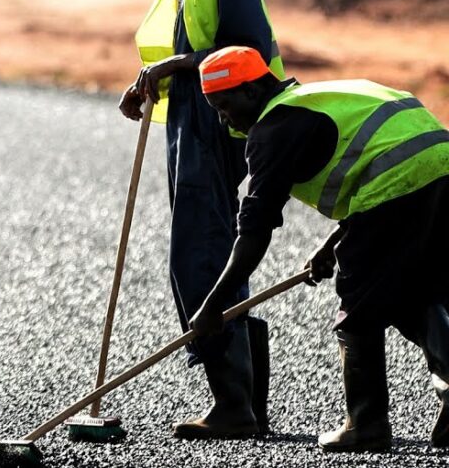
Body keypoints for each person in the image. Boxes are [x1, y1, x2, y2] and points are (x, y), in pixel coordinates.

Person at [190, 45, 449, 452]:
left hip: (400, 183)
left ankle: (366, 425)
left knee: (358, 304)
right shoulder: (311, 101)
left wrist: (213, 306)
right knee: (419, 292)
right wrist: (332, 243)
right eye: (214, 108)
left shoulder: (273, 129)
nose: (223, 117)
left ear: (254, 90)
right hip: (439, 164)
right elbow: (372, 159)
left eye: (224, 105)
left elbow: (254, 233)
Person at [117, 0, 284, 438]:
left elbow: (246, 51)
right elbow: (188, 47)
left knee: (201, 254)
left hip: (220, 123)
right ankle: (241, 404)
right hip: (190, 117)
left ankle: (236, 405)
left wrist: (170, 67)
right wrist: (152, 78)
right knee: (202, 251)